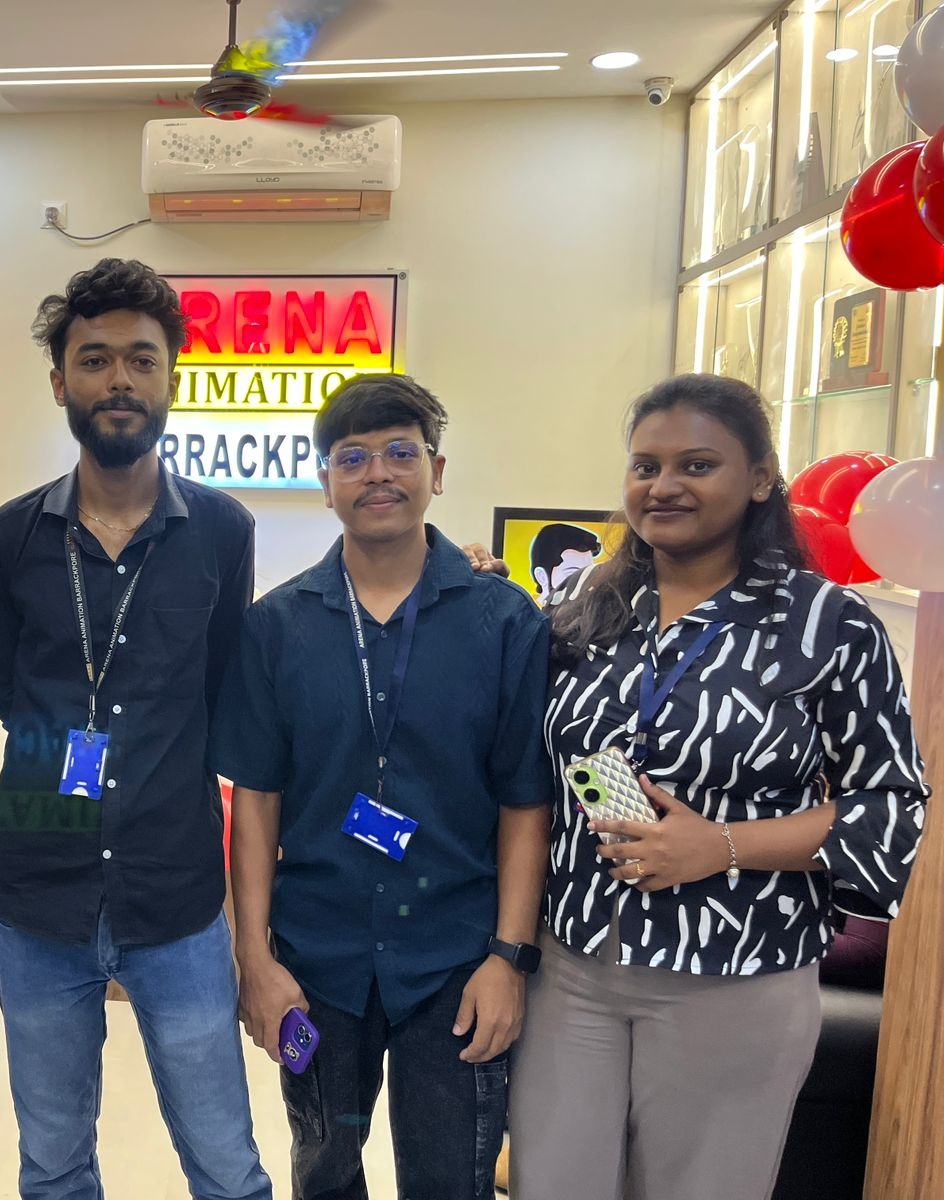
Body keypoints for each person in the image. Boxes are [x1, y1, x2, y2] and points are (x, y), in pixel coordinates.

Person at [508, 373, 929, 1200]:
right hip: (574, 973)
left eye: (696, 465)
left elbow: (891, 808)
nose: (663, 486)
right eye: (645, 466)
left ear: (762, 478)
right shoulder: (589, 616)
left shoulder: (828, 625)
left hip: (737, 976)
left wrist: (721, 845)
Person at [0, 258, 271, 1200]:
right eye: (94, 360)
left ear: (174, 375)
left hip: (178, 899)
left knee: (227, 1167)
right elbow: (9, 693)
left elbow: (224, 691)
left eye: (142, 360)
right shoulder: (6, 537)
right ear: (60, 382)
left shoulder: (222, 529)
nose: (119, 381)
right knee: (53, 1168)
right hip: (38, 899)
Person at [213, 373, 552, 1200]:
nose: (378, 474)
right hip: (317, 959)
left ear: (437, 471)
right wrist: (252, 958)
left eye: (401, 452)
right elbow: (254, 803)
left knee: (450, 1178)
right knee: (323, 1169)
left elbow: (525, 803)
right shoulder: (277, 626)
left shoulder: (504, 623)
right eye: (352, 457)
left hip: (457, 962)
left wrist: (509, 958)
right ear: (325, 481)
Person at [528, 522, 601, 597]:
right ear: (542, 577)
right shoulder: (526, 607)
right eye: (574, 574)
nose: (587, 583)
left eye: (590, 574)